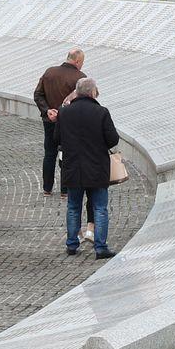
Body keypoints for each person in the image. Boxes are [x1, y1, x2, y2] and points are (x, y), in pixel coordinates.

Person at [55, 76, 120, 259]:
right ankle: (100, 247)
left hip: (72, 168)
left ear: (77, 92)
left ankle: (72, 245)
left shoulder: (64, 112)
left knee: (73, 207)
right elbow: (113, 139)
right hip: (97, 168)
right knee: (100, 208)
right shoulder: (101, 112)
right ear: (92, 92)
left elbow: (56, 138)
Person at [31, 49, 85, 195]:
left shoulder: (49, 72)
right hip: (68, 124)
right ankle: (65, 189)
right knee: (67, 153)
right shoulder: (80, 78)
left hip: (49, 120)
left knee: (49, 153)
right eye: (82, 62)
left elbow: (38, 94)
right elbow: (82, 102)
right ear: (77, 61)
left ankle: (47, 188)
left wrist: (47, 110)